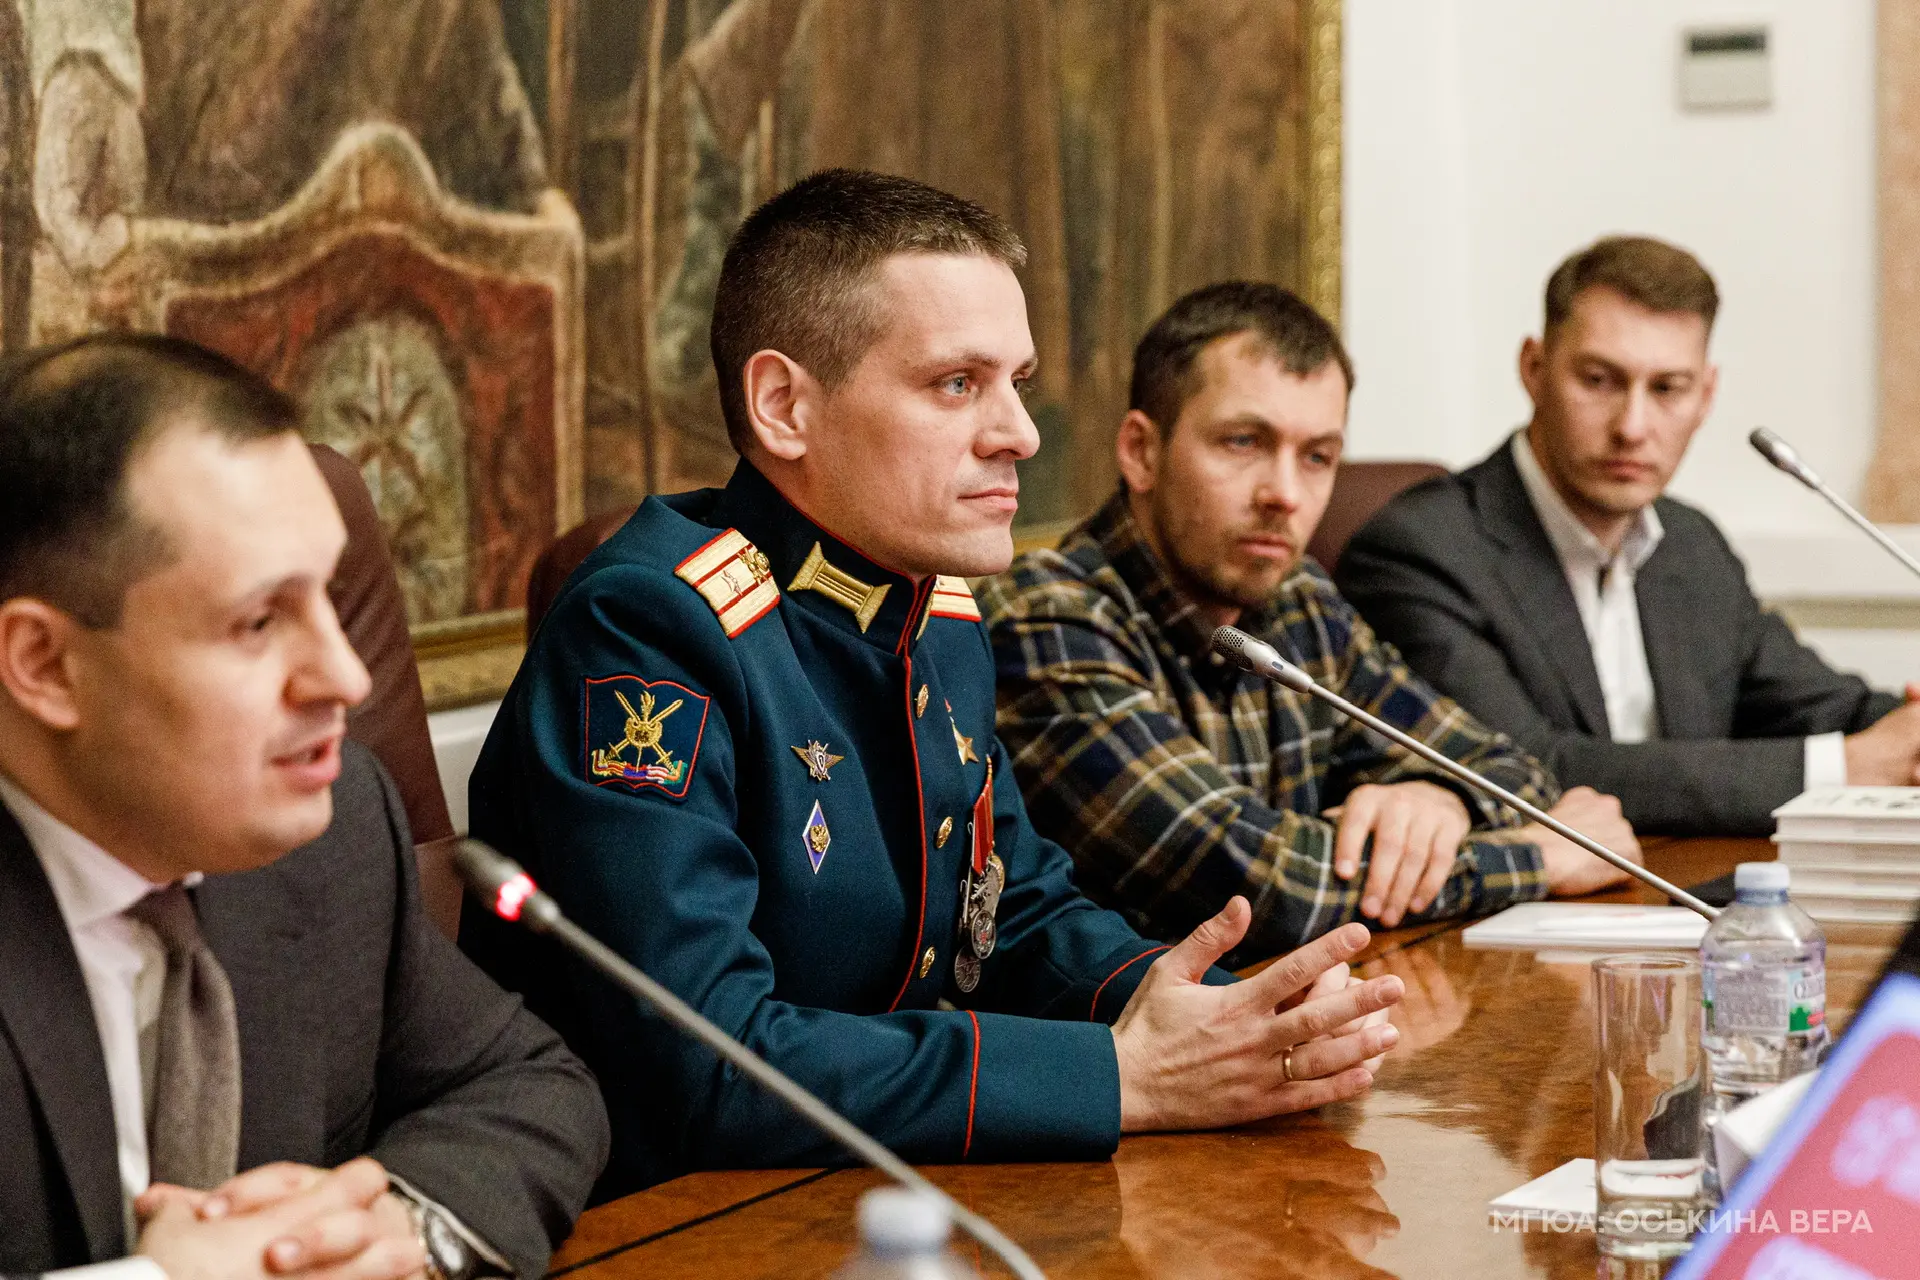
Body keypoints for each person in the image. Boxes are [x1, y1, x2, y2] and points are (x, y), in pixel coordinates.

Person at [460, 170, 1407, 1196]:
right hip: (679, 1220)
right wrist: (1119, 1078)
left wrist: (1229, 1015)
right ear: (784, 406)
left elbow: (1014, 911)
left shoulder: (934, 613)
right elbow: (707, 1060)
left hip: (879, 1180)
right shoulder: (650, 628)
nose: (1020, 433)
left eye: (1018, 382)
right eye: (957, 384)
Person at [0, 334, 608, 1278]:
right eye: (258, 621)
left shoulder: (334, 830)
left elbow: (529, 1084)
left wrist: (399, 1227)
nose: (347, 676)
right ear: (46, 665)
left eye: (328, 594)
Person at [979, 282, 1638, 962]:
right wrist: (1535, 858)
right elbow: (1268, 888)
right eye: (1243, 442)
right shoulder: (1046, 622)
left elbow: (1512, 773)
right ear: (1142, 452)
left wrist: (1439, 800)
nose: (1286, 495)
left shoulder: (1298, 601)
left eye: (1318, 456)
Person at [1338, 236, 1917, 836]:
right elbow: (1522, 769)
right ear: (1534, 370)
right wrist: (1844, 768)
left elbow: (1823, 706)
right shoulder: (1420, 551)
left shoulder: (1691, 544)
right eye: (1599, 380)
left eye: (1667, 389)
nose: (1633, 427)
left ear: (1705, 395)